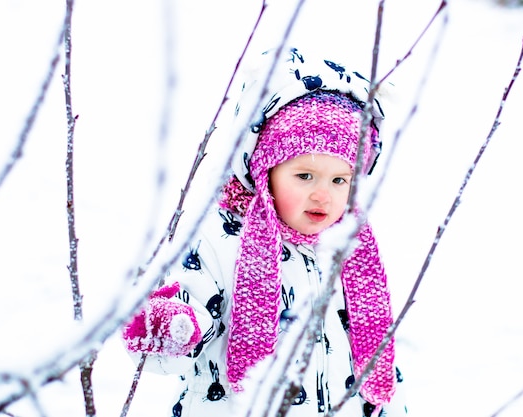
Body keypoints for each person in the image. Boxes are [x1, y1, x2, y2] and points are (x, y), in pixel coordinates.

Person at [122, 47, 407, 417]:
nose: (324, 194)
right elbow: (183, 323)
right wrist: (169, 327)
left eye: (340, 180)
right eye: (305, 175)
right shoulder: (221, 240)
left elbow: (376, 361)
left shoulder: (351, 253)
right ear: (263, 169)